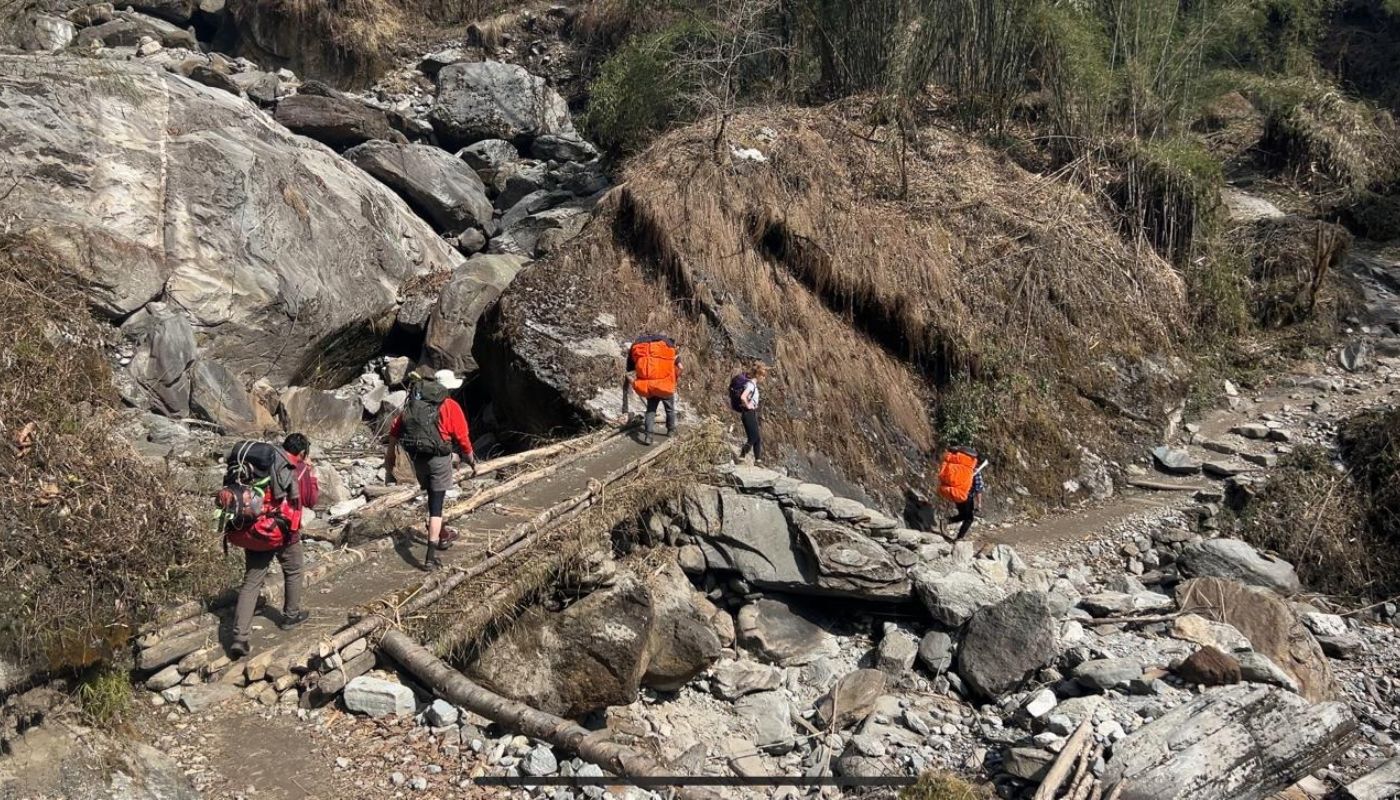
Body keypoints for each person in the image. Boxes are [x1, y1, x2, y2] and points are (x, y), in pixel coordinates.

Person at [223, 436, 310, 659]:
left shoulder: (258, 465)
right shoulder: (296, 468)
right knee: (293, 569)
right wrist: (311, 475)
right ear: (302, 453)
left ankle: (239, 638)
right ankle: (290, 616)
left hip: (252, 529)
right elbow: (310, 499)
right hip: (281, 530)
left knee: (252, 581)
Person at [385, 369, 477, 571]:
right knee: (436, 507)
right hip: (438, 460)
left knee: (433, 498)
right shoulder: (450, 406)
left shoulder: (415, 404)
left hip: (418, 460)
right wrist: (471, 459)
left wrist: (390, 457)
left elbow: (395, 427)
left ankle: (443, 533)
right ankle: (430, 557)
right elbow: (462, 438)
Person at [622, 333, 683, 445]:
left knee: (651, 411)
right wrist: (675, 377)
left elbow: (632, 369)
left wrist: (634, 382)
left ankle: (648, 436)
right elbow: (680, 368)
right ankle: (670, 431)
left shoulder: (648, 352)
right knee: (669, 409)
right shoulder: (673, 354)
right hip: (665, 385)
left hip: (650, 387)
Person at [936, 445, 984, 541]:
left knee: (963, 515)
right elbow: (979, 488)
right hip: (966, 496)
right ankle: (959, 538)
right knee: (969, 518)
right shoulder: (975, 471)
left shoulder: (960, 467)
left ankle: (946, 521)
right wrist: (979, 504)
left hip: (956, 493)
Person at [728, 361, 768, 464]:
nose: (764, 378)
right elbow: (743, 397)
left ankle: (758, 460)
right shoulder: (751, 385)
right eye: (763, 375)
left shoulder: (752, 384)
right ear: (758, 375)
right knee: (753, 437)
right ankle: (742, 456)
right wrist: (748, 405)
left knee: (757, 437)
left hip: (750, 413)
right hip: (748, 413)